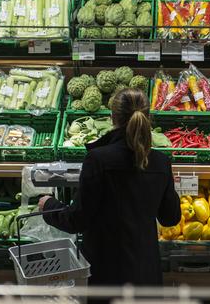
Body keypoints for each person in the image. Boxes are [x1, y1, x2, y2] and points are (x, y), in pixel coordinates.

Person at [39, 88, 181, 289]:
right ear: (148, 117)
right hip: (146, 273)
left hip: (106, 273)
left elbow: (78, 219)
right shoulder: (161, 162)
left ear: (112, 118)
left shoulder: (98, 160)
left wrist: (49, 206)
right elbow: (170, 218)